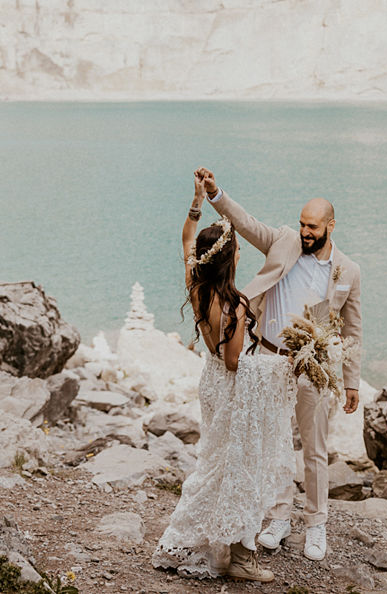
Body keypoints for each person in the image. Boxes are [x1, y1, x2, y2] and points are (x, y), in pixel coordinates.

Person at [197, 167, 362, 563]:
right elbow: (245, 222)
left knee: (314, 449)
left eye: (313, 227)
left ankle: (316, 524)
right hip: (268, 359)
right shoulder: (284, 242)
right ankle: (278, 518)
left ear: (330, 226)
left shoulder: (349, 272)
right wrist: (216, 193)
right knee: (275, 446)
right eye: (303, 224)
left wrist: (351, 381)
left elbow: (354, 329)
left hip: (314, 369)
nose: (306, 232)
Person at [152, 171, 297, 583]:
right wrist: (284, 366)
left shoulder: (195, 283)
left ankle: (208, 542)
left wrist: (197, 202)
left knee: (214, 463)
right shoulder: (232, 306)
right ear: (231, 259)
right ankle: (239, 558)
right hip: (231, 387)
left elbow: (185, 239)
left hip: (209, 383)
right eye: (236, 252)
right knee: (236, 467)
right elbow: (236, 362)